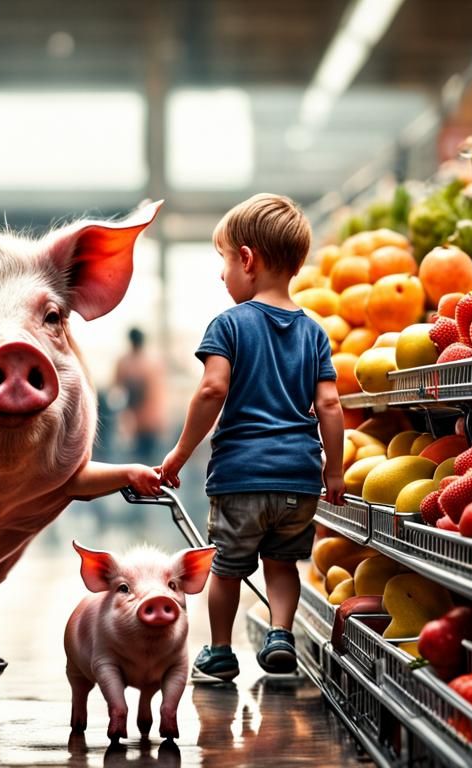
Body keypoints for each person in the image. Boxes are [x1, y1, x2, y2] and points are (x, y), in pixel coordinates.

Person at [156, 193, 344, 680]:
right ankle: (280, 634)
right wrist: (335, 469)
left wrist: (179, 453)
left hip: (241, 474)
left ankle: (220, 652)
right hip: (299, 479)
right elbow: (328, 404)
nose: (222, 275)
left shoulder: (229, 325)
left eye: (223, 261)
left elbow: (212, 389)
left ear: (247, 259)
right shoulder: (316, 333)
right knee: (282, 564)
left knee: (228, 568)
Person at [113, 327, 166, 463]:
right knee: (139, 459)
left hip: (148, 418)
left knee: (148, 458)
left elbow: (156, 394)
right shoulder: (127, 362)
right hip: (136, 418)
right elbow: (117, 388)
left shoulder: (149, 363)